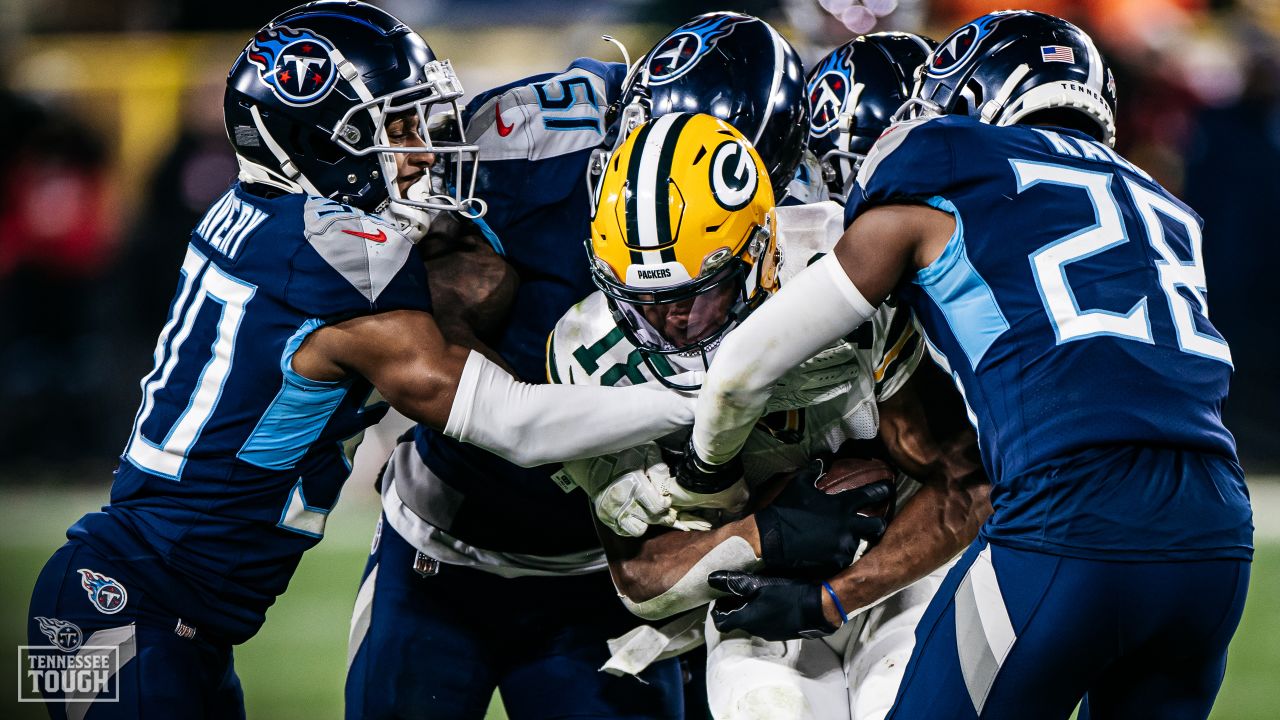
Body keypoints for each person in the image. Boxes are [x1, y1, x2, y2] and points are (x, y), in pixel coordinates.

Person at [23, 3, 697, 717]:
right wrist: (694, 396)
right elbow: (509, 419)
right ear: (311, 140)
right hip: (128, 610)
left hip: (138, 605)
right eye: (394, 128)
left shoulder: (262, 211)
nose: (421, 151)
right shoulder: (339, 254)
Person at [681, 11, 1253, 720]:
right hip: (1218, 533)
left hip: (1068, 514)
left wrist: (702, 469)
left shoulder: (946, 158)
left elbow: (743, 365)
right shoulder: (1163, 202)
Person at [343, 13, 823, 719]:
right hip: (444, 545)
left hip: (609, 577)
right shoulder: (526, 148)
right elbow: (414, 308)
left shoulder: (804, 215)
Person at [551, 106, 988, 720]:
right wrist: (768, 530)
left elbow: (962, 484)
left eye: (700, 294)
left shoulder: (848, 261)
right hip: (760, 588)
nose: (674, 325)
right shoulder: (586, 348)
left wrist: (835, 595)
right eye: (646, 302)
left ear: (760, 253)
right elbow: (641, 578)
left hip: (903, 560)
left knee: (899, 702)